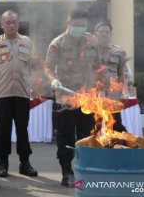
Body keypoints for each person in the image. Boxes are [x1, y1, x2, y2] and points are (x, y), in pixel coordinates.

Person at [44, 9, 99, 187]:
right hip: (65, 98)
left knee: (87, 135)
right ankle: (67, 171)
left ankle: (85, 169)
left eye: (82, 26)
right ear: (68, 23)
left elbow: (97, 67)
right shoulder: (57, 43)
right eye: (76, 26)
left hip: (87, 98)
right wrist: (53, 80)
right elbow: (48, 67)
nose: (79, 29)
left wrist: (102, 85)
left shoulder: (92, 41)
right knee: (65, 136)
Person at [0, 10, 38, 178]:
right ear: (2, 25)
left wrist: (36, 86)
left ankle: (25, 163)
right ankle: (3, 163)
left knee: (22, 130)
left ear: (18, 24)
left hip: (22, 93)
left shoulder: (27, 42)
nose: (11, 25)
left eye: (14, 22)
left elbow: (34, 66)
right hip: (2, 94)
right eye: (8, 22)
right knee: (3, 131)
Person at [94, 21, 127, 132]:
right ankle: (94, 147)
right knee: (94, 126)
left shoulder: (119, 52)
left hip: (112, 95)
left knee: (114, 125)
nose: (104, 34)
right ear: (95, 33)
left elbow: (121, 73)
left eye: (107, 32)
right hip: (94, 95)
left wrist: (123, 90)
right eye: (101, 31)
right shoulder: (89, 51)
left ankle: (114, 146)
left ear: (111, 34)